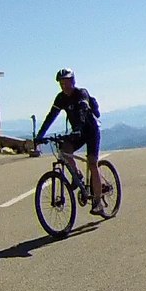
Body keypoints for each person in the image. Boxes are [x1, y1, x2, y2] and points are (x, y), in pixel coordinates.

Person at [33, 69, 104, 214]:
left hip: (91, 131)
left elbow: (83, 111)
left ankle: (98, 201)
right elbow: (51, 116)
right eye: (61, 83)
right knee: (64, 151)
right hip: (77, 132)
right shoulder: (60, 98)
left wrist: (79, 127)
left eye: (66, 82)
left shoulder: (81, 93)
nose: (64, 86)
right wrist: (40, 136)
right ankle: (77, 174)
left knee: (92, 163)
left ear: (73, 81)